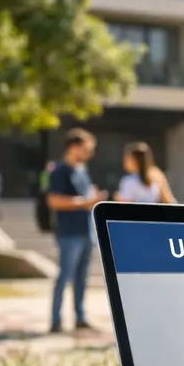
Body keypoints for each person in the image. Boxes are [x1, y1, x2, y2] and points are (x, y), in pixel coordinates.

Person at [46, 129, 107, 333]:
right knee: (65, 276)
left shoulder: (82, 171)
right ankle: (55, 320)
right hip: (69, 233)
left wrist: (93, 198)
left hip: (86, 231)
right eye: (86, 149)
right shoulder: (59, 171)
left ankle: (80, 317)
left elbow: (86, 198)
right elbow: (53, 201)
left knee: (82, 278)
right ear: (74, 147)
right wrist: (85, 202)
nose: (89, 154)